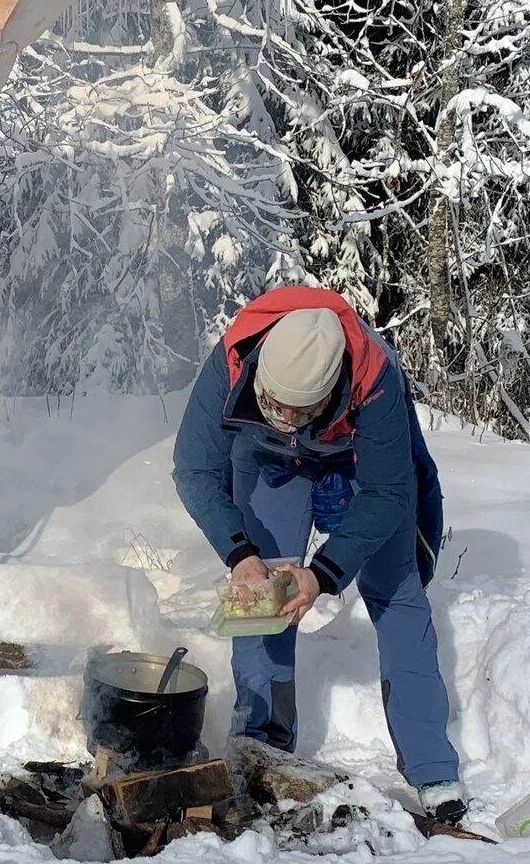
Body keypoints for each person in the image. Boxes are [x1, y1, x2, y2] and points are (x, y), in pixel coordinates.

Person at [170, 286, 456, 820]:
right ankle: (260, 744)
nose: (282, 415)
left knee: (398, 600)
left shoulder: (376, 376)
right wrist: (240, 553)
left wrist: (322, 574)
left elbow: (391, 492)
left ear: (328, 396)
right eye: (272, 403)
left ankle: (433, 770)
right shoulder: (233, 358)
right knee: (262, 601)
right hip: (270, 464)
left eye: (295, 411)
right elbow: (193, 469)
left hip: (357, 467)